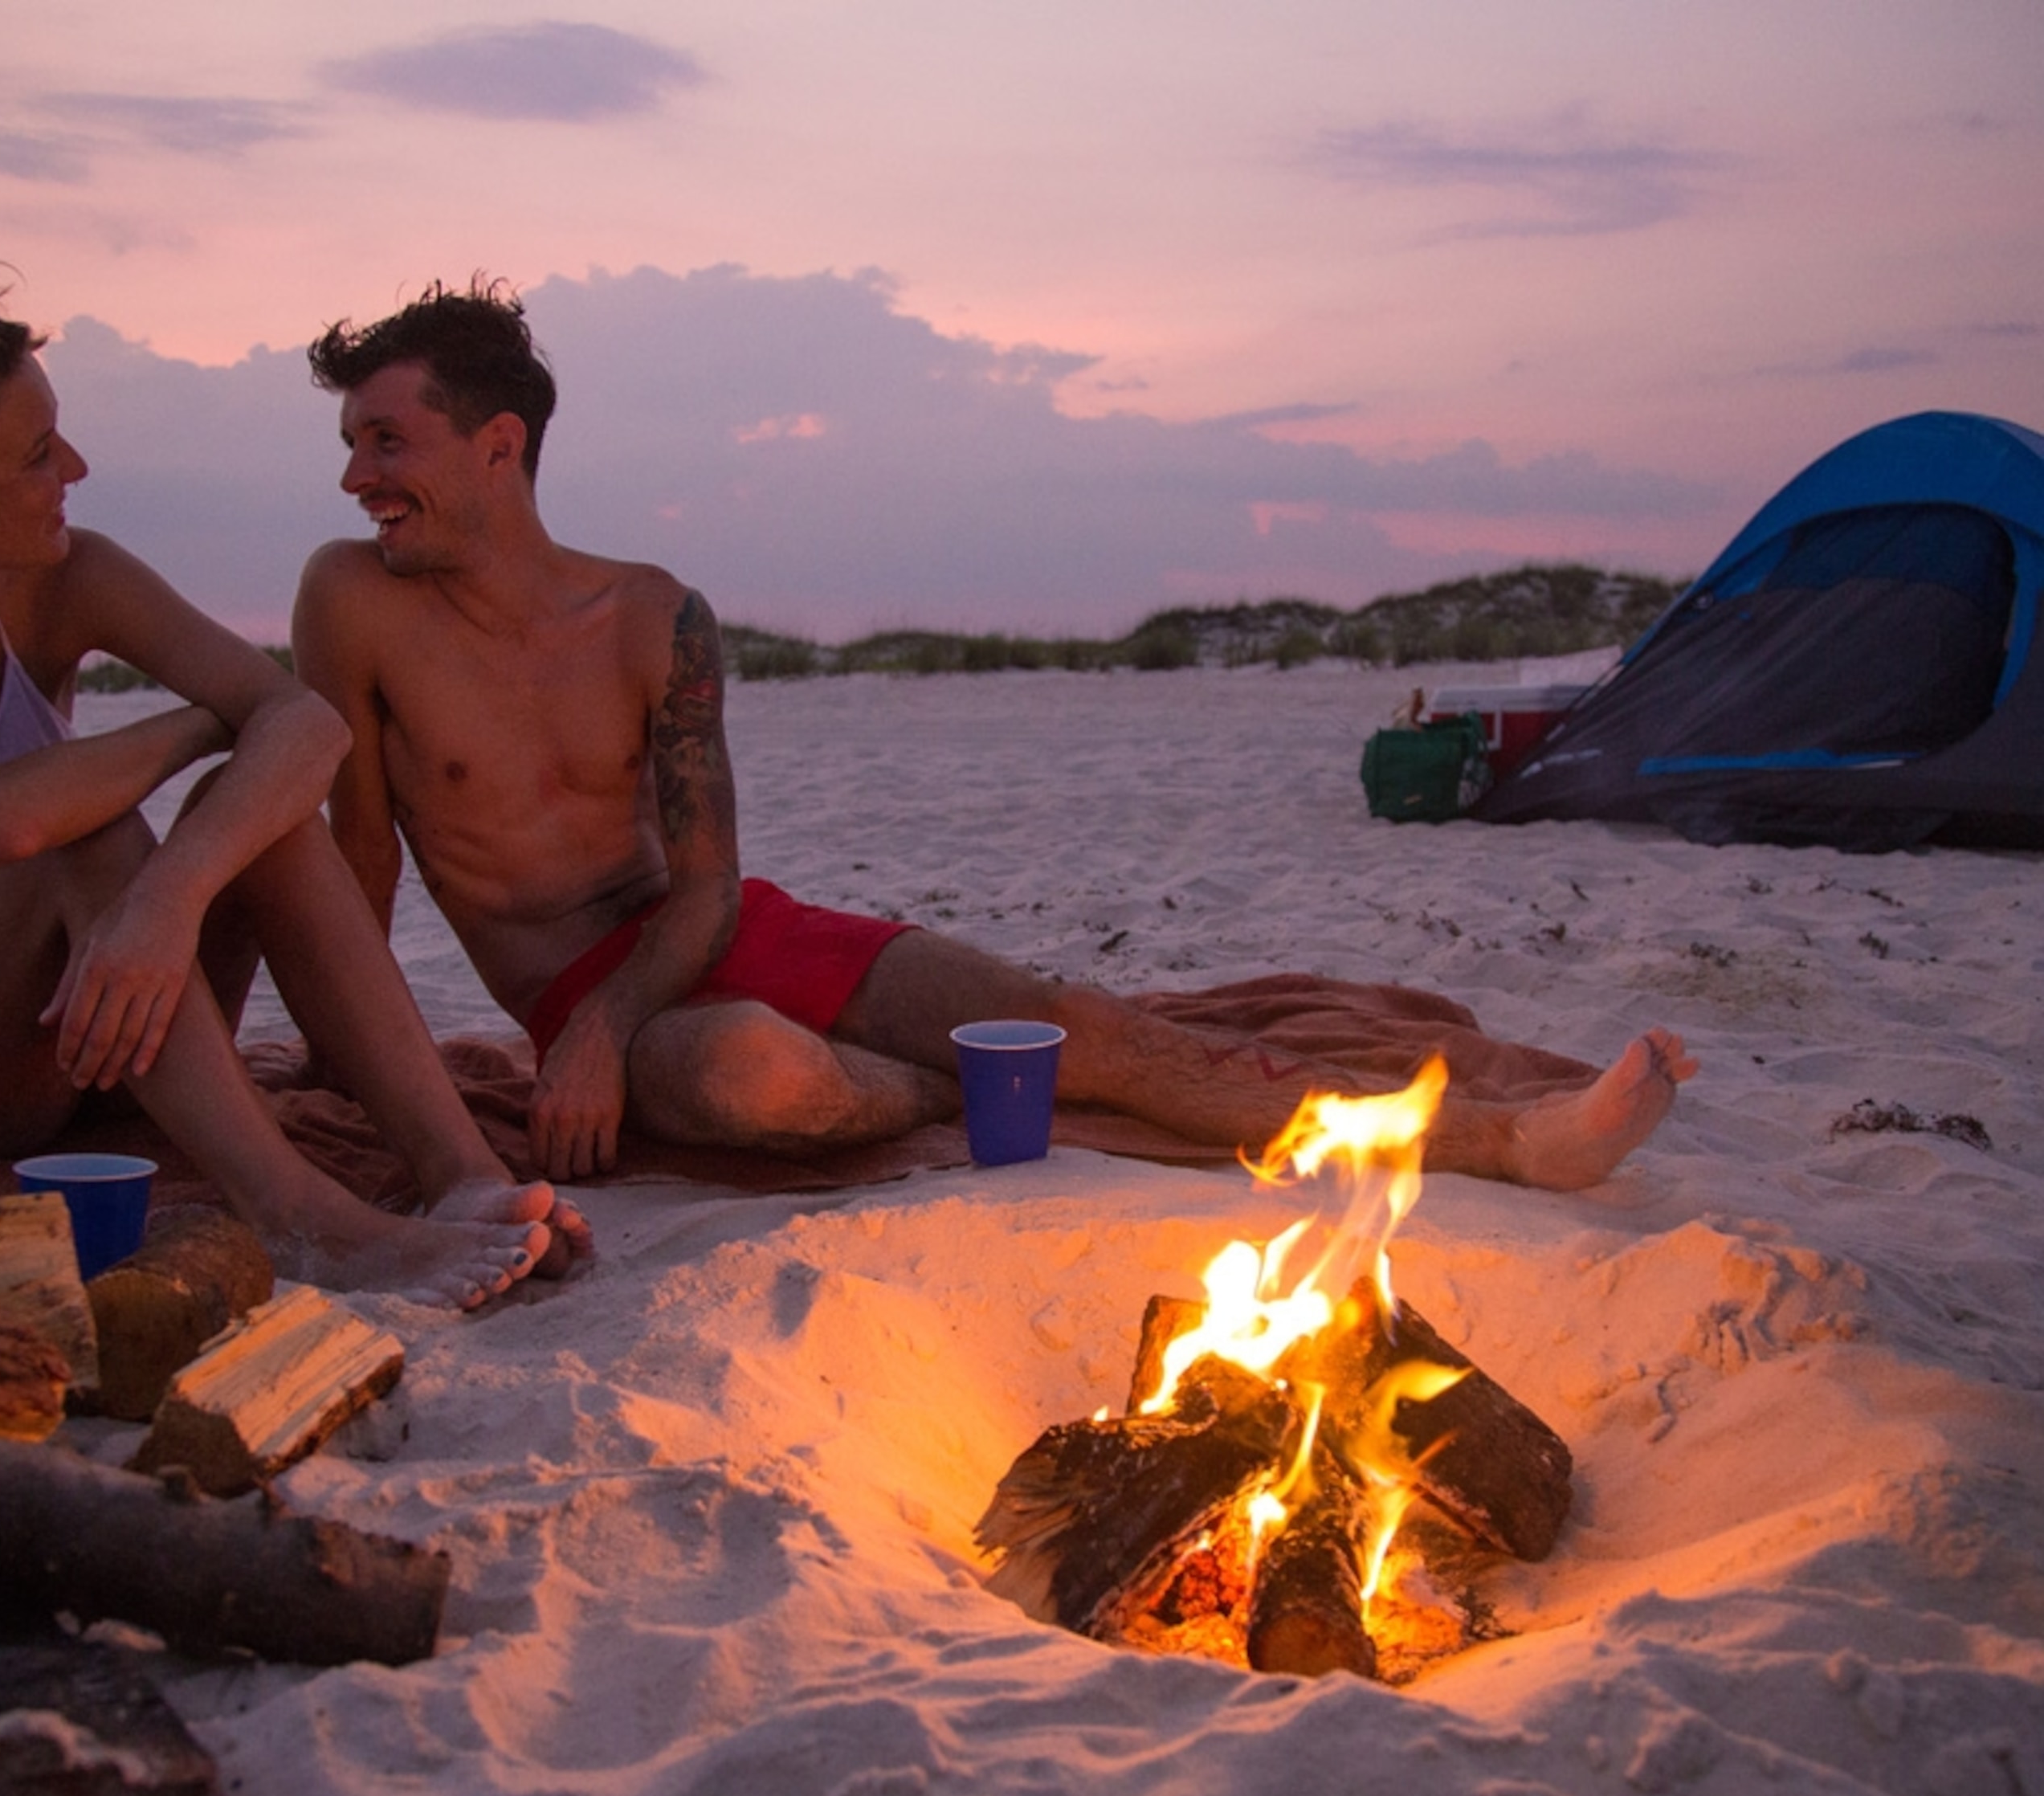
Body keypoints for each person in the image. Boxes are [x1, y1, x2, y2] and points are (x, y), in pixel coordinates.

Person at [292, 281, 1696, 1187]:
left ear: (499, 447)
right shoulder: (350, 604)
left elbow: (712, 887)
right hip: (590, 999)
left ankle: (1506, 1137)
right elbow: (354, 880)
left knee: (1096, 1031)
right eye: (353, 445)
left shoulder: (656, 615)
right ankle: (926, 1086)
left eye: (386, 442)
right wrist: (428, 1077)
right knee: (762, 1077)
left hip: (712, 936)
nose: (358, 477)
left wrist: (610, 1023)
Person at [0, 238, 585, 1309]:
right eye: (35, 454)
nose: (71, 470)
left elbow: (305, 725)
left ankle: (463, 1178)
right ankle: (306, 1222)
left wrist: (172, 896)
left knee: (254, 816)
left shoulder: (72, 575)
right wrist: (196, 727)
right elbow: (2, 822)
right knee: (91, 837)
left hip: (101, 1029)